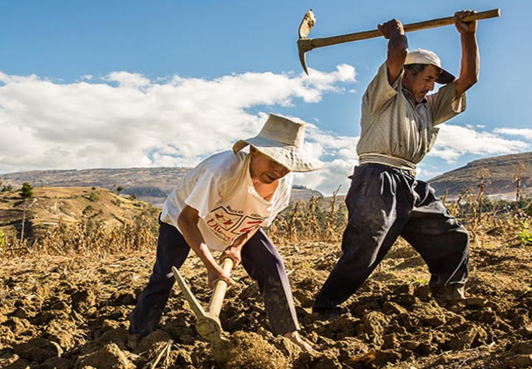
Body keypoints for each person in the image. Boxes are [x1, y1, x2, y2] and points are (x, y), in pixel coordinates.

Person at [313, 10, 480, 319]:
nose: (432, 86)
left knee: (452, 235)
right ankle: (326, 306)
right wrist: (395, 32)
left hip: (410, 181)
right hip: (377, 177)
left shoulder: (429, 107)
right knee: (367, 245)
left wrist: (467, 35)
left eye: (434, 80)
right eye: (427, 78)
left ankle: (448, 291)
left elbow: (467, 79)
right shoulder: (384, 96)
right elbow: (399, 52)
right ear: (407, 73)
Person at [129, 114, 320, 351]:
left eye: (286, 164)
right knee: (165, 274)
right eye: (273, 160)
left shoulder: (283, 183)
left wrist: (236, 246)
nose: (279, 170)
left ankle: (289, 333)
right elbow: (187, 219)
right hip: (183, 219)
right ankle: (140, 333)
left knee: (272, 264)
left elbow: (256, 221)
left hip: (235, 224)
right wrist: (210, 266)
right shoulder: (222, 171)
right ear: (254, 151)